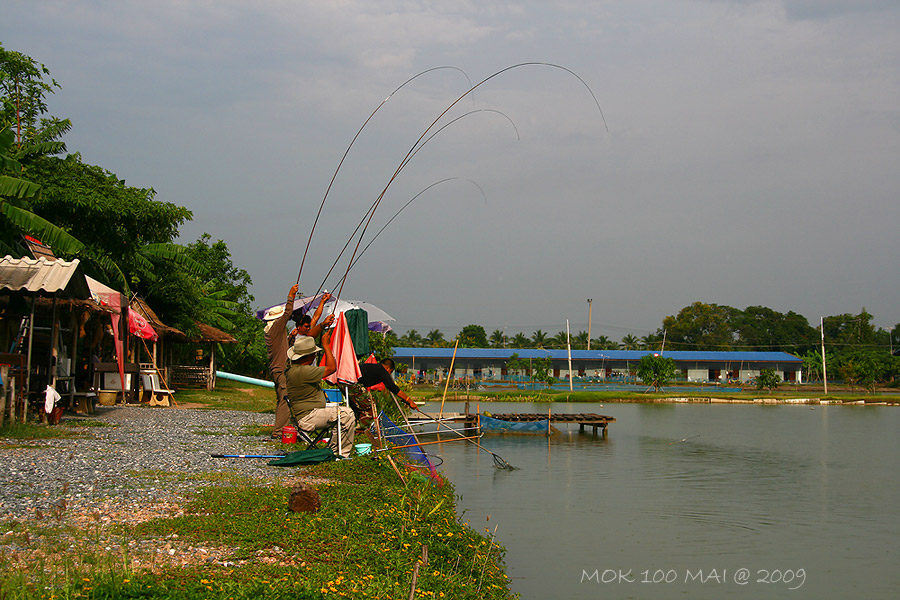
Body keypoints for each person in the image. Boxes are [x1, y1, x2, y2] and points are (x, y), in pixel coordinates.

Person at [285, 333, 356, 456]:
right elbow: (331, 368)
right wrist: (326, 345)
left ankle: (334, 447)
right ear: (309, 356)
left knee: (341, 412)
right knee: (347, 414)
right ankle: (338, 453)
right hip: (309, 417)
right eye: (314, 354)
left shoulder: (294, 370)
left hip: (308, 414)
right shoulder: (304, 371)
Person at [263, 284, 298, 439]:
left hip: (276, 369)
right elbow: (288, 313)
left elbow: (283, 349)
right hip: (280, 370)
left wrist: (291, 337)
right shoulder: (276, 327)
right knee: (285, 400)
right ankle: (279, 432)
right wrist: (291, 296)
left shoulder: (272, 332)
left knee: (281, 400)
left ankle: (281, 429)